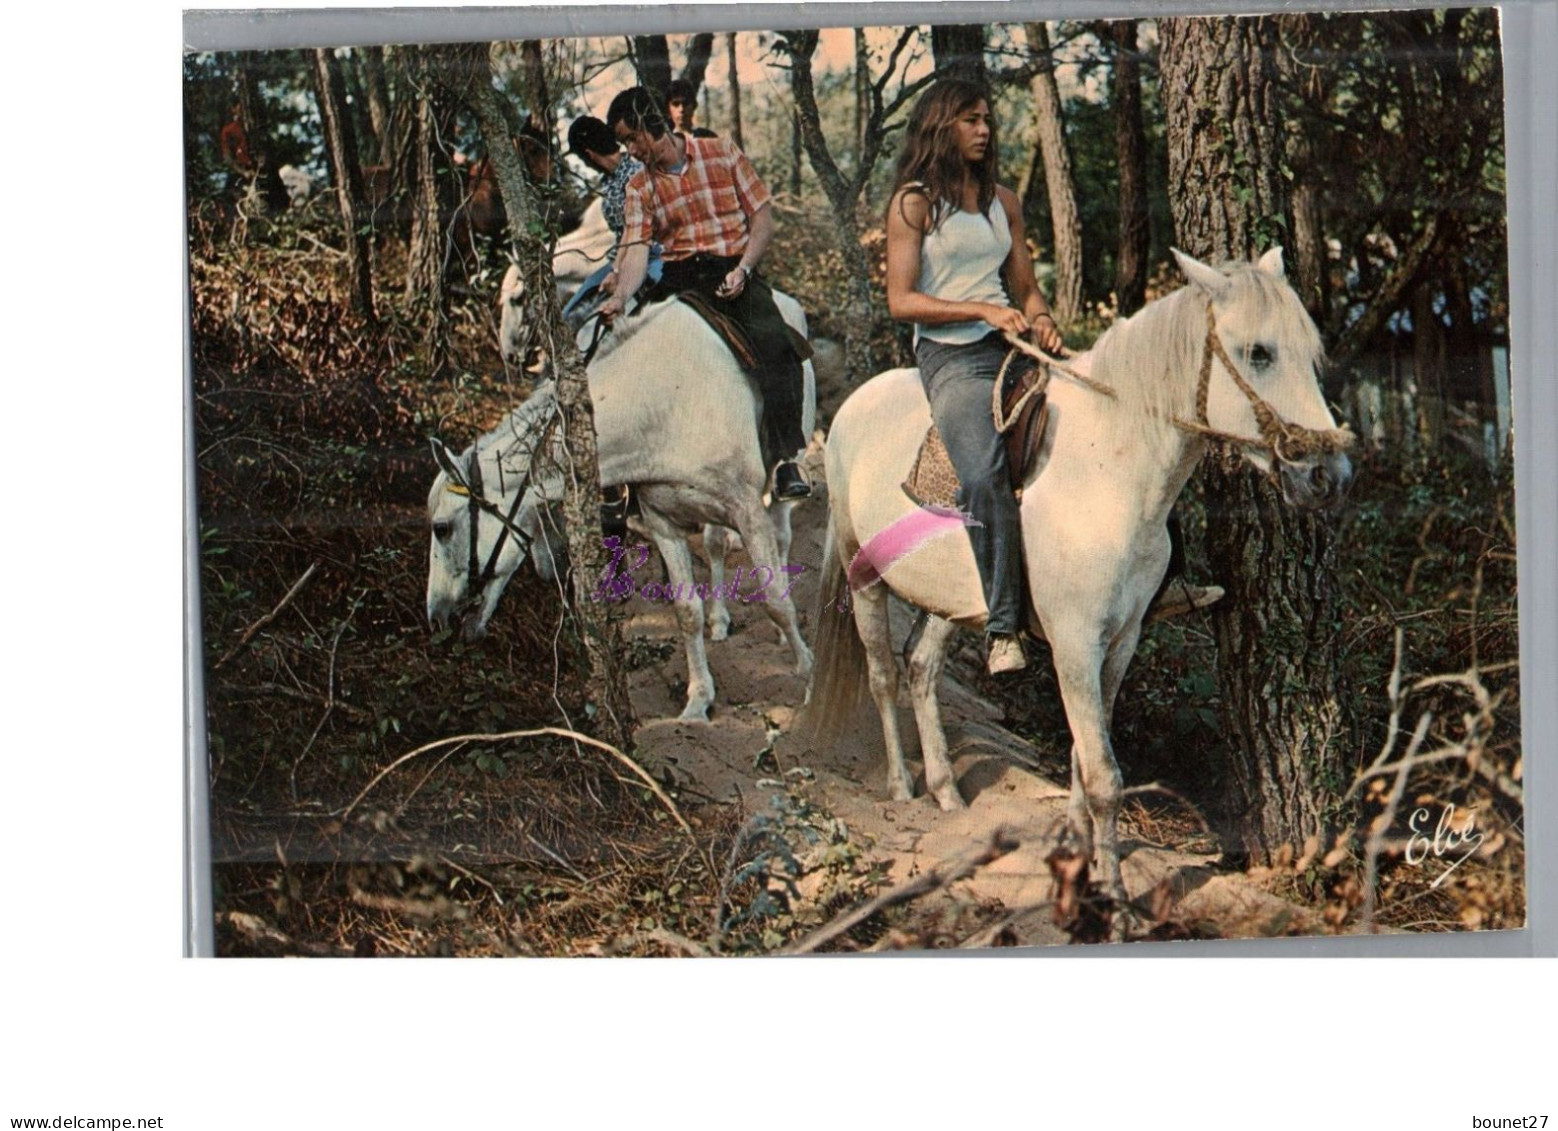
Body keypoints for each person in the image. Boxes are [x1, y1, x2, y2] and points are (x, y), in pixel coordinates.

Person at [884, 80, 1064, 675]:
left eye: (986, 119)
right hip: (951, 356)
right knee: (983, 471)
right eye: (969, 119)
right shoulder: (914, 204)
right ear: (941, 127)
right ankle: (1004, 628)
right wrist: (980, 310)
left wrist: (1040, 319)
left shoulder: (1002, 202)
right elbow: (903, 302)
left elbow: (1026, 286)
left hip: (1009, 346)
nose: (984, 129)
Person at [599, 86, 810, 501]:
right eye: (623, 142)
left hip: (732, 268)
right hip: (679, 279)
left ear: (648, 125)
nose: (629, 150)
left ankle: (787, 460)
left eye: (630, 138)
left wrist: (744, 270)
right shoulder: (639, 185)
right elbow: (638, 250)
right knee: (634, 354)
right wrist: (621, 297)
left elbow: (762, 221)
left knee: (775, 343)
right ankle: (634, 475)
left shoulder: (721, 152)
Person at [561, 115, 662, 326]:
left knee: (643, 309)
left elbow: (631, 228)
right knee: (572, 311)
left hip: (651, 254)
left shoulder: (635, 171)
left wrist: (617, 271)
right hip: (619, 260)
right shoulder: (608, 181)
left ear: (588, 155)